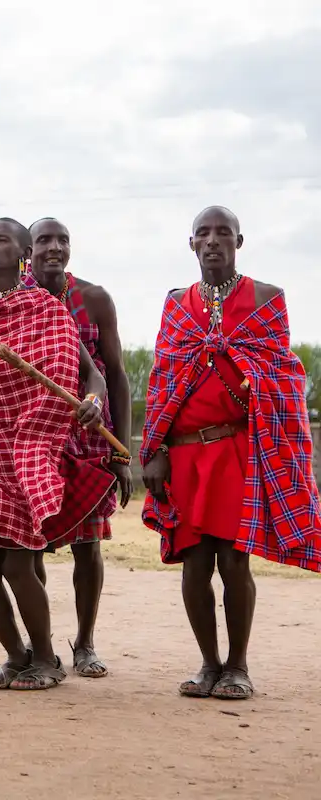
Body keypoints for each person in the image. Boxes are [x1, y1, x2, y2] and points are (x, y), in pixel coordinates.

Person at [142, 206, 321, 700]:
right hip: (184, 455)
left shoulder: (266, 300)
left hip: (240, 450)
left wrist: (233, 357)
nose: (213, 240)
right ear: (191, 243)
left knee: (233, 562)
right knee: (194, 564)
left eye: (224, 232)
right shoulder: (177, 305)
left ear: (240, 241)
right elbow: (163, 380)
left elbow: (282, 374)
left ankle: (238, 667)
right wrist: (154, 451)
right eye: (204, 232)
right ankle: (208, 664)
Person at [0, 218, 115, 692]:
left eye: (1, 240)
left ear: (24, 253)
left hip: (32, 448)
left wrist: (92, 403)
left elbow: (91, 376)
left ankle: (49, 659)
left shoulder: (47, 311)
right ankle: (17, 655)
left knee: (16, 562)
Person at [23, 217, 132, 679]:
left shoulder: (93, 299)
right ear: (27, 250)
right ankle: (39, 640)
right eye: (43, 240)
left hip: (89, 440)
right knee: (29, 549)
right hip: (31, 442)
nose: (54, 247)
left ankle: (85, 643)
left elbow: (116, 375)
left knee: (88, 548)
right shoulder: (12, 303)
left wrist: (122, 452)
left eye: (61, 240)